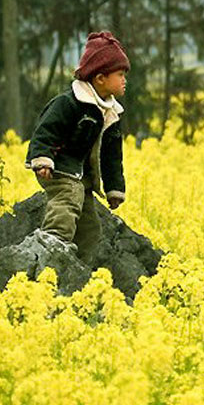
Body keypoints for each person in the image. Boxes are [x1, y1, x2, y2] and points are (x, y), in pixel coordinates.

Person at [25, 31, 130, 264]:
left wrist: (114, 189)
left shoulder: (111, 113)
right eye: (120, 74)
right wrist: (42, 158)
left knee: (91, 225)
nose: (125, 80)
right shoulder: (69, 102)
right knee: (69, 196)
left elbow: (112, 157)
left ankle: (79, 266)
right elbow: (45, 131)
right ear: (100, 78)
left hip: (80, 174)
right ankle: (51, 246)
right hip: (57, 167)